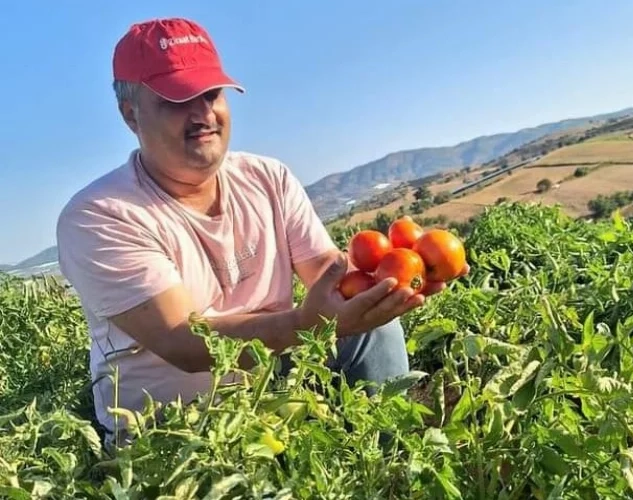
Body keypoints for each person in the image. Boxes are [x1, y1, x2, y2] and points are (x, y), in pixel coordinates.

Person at [56, 17, 466, 446]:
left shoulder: (268, 177)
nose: (202, 113)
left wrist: (388, 277)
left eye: (211, 93)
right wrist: (308, 324)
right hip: (176, 433)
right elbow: (185, 343)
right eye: (177, 100)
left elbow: (327, 272)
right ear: (130, 115)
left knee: (372, 329)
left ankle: (390, 462)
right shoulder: (101, 215)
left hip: (276, 382)